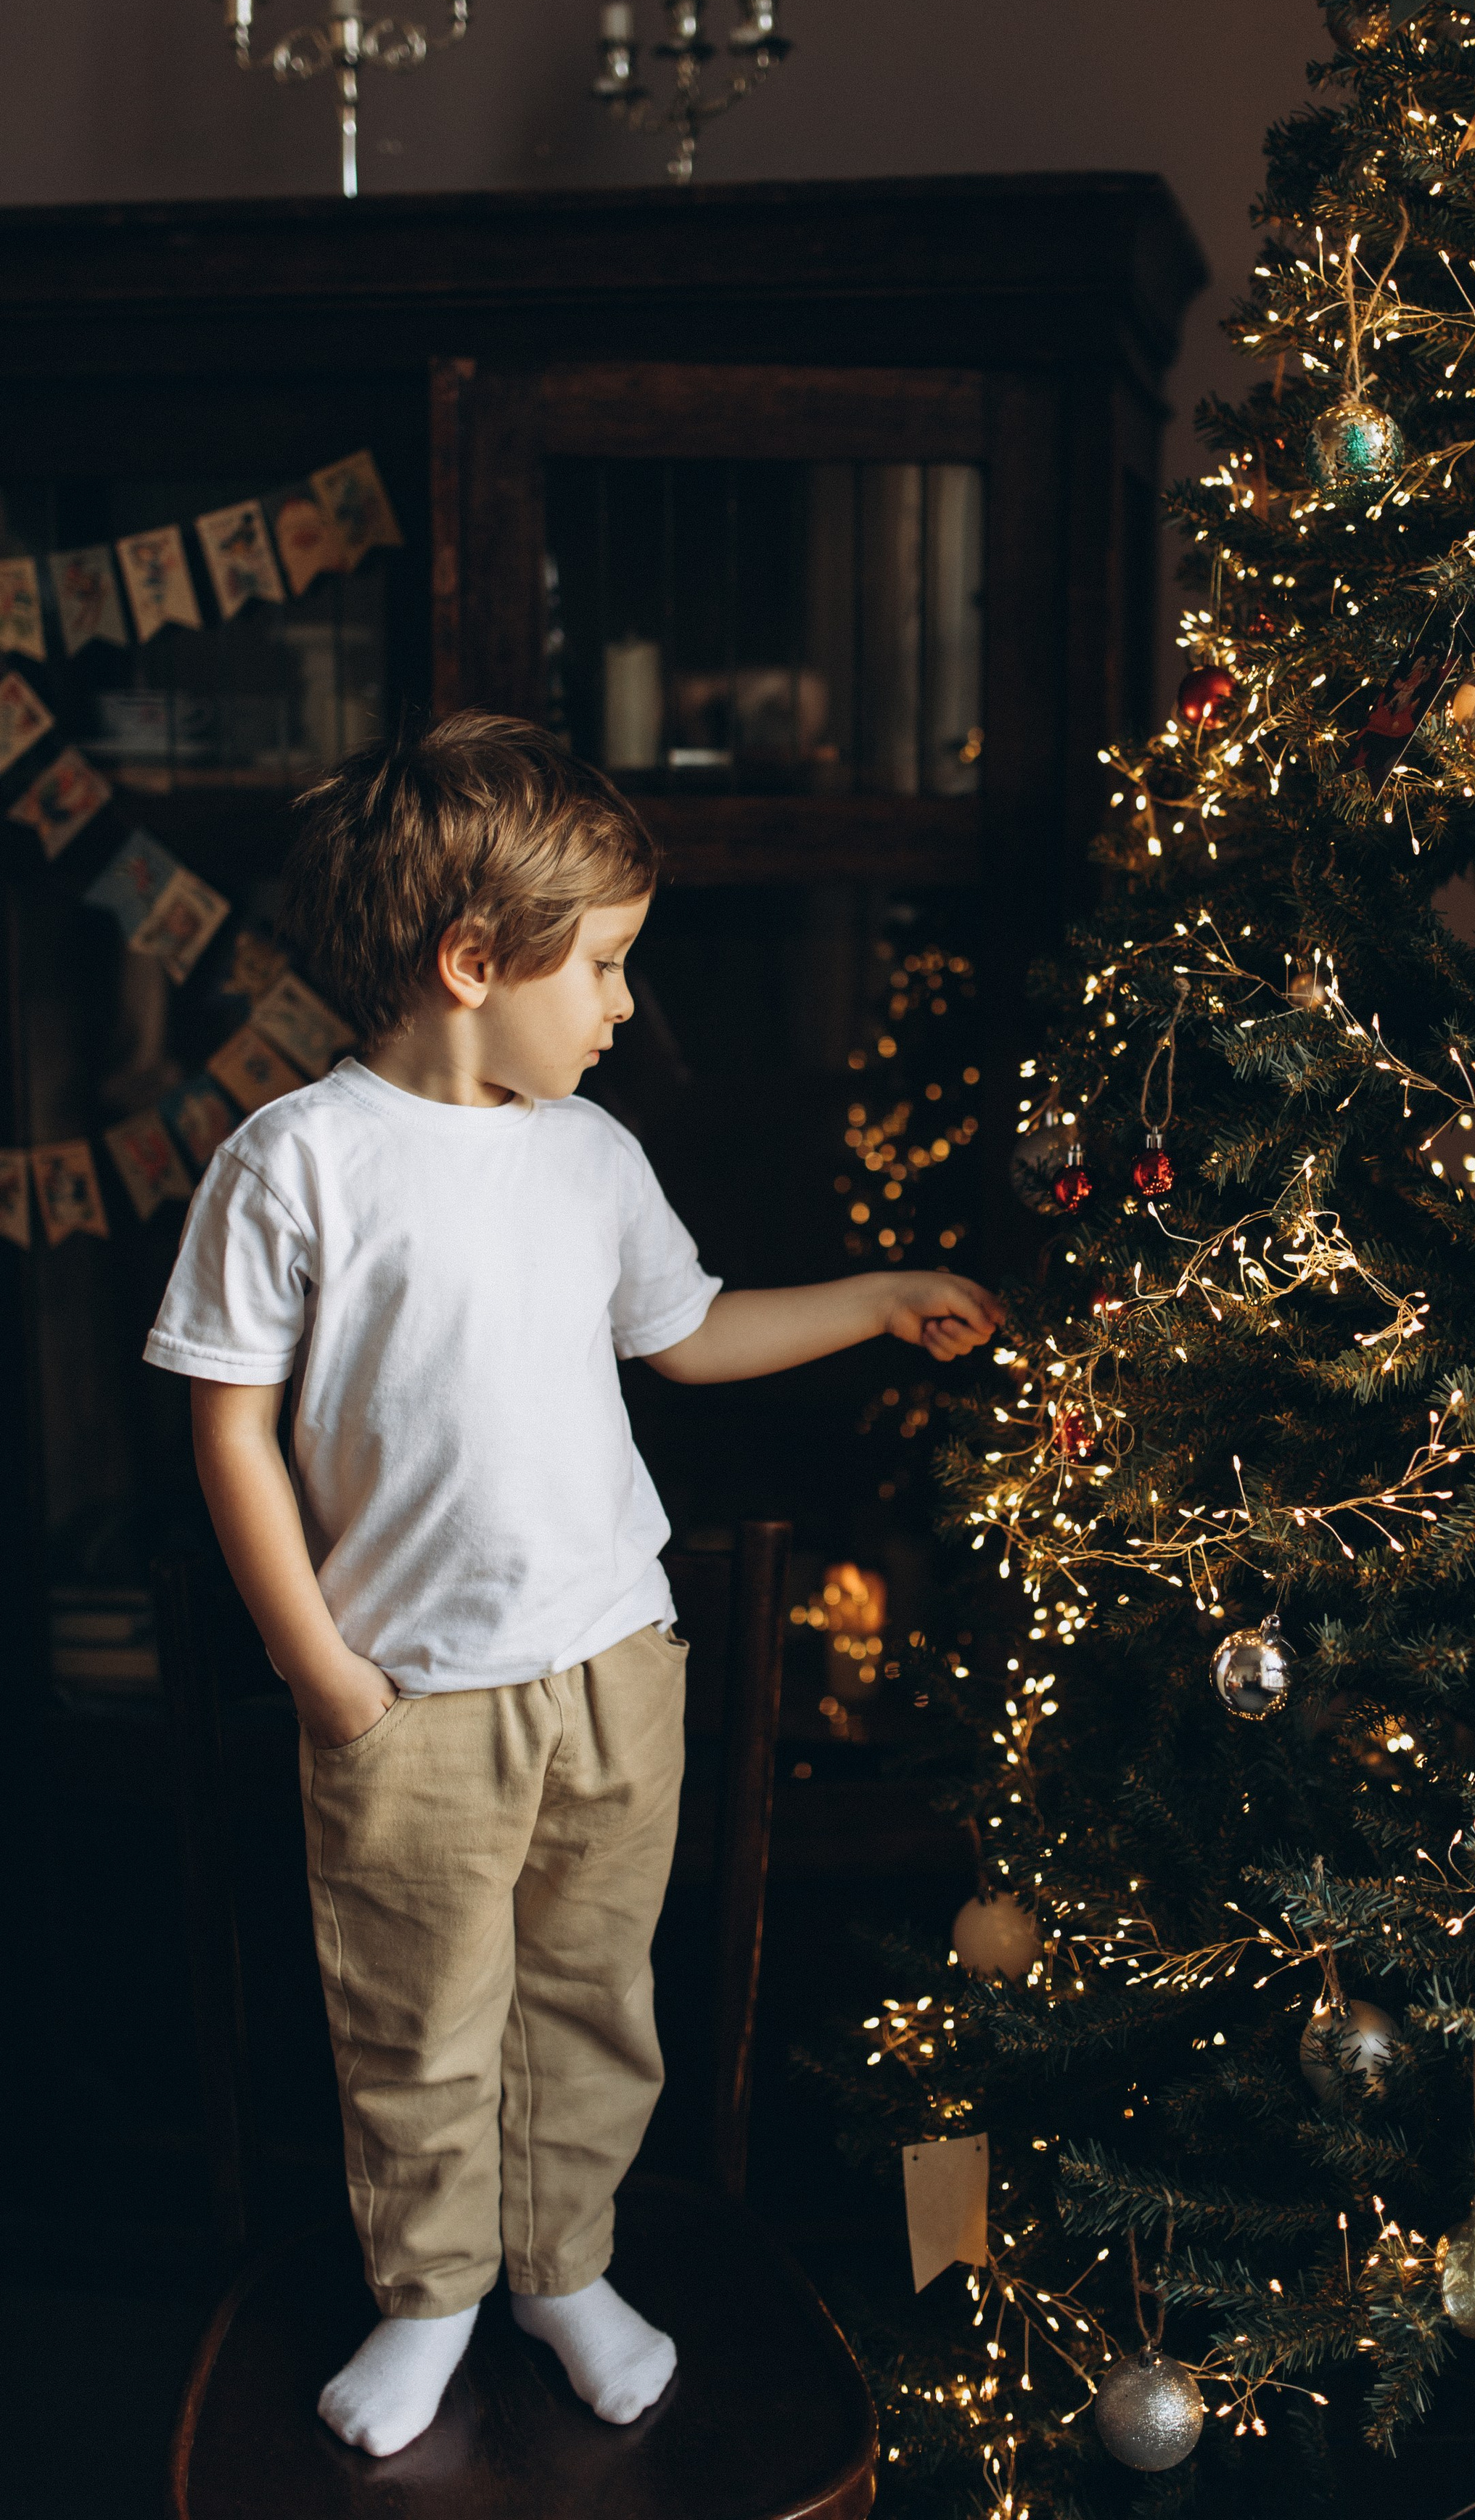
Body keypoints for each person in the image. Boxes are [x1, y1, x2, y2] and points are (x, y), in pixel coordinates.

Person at [144, 713, 1003, 2458]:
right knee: (419, 2015)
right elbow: (228, 1431)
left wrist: (872, 1288)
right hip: (411, 1693)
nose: (621, 1007)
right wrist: (319, 1670)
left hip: (615, 1662)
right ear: (473, 960)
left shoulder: (591, 1156)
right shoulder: (295, 1160)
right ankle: (430, 2294)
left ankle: (562, 2268)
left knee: (594, 1996)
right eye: (602, 966)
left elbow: (682, 1335)